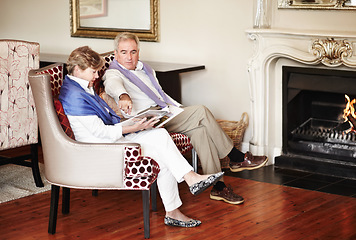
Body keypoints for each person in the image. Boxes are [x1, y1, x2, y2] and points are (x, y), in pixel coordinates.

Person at [59, 46, 224, 228]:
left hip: (109, 138)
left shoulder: (82, 87)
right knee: (161, 153)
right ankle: (181, 197)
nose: (97, 77)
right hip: (100, 147)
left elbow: (105, 128)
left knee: (161, 137)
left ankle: (183, 193)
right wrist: (133, 127)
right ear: (78, 70)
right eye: (93, 72)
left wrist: (134, 123)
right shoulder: (74, 95)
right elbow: (101, 133)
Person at [103, 32, 269, 205]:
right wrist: (123, 95)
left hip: (166, 113)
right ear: (116, 54)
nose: (129, 57)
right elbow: (114, 85)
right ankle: (235, 156)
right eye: (123, 52)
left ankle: (218, 187)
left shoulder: (145, 68)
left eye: (133, 52)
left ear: (138, 51)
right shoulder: (114, 73)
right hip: (149, 121)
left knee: (201, 131)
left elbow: (160, 94)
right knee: (201, 111)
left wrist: (176, 109)